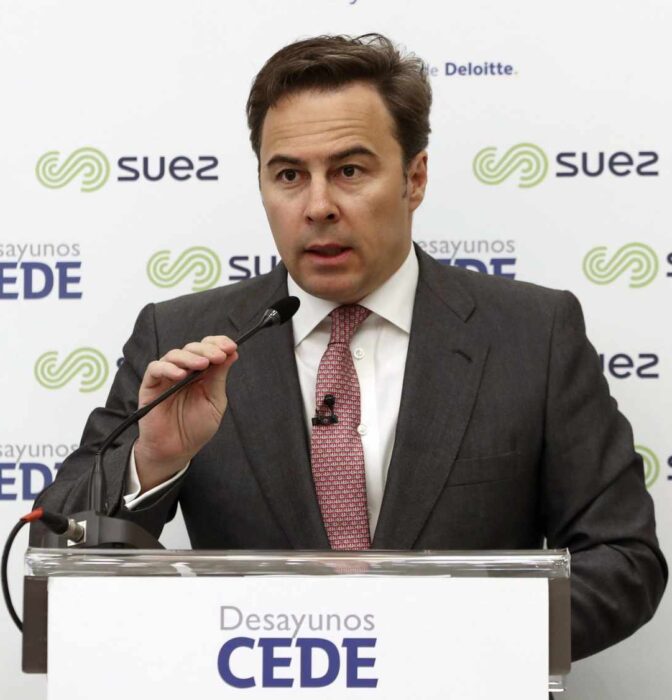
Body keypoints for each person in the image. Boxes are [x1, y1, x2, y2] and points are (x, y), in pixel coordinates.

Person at [33, 34, 666, 661]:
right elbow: (58, 558)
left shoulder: (533, 333)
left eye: (350, 171)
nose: (318, 206)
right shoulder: (181, 338)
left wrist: (441, 641)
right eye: (289, 175)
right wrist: (152, 462)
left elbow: (623, 561)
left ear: (414, 178)